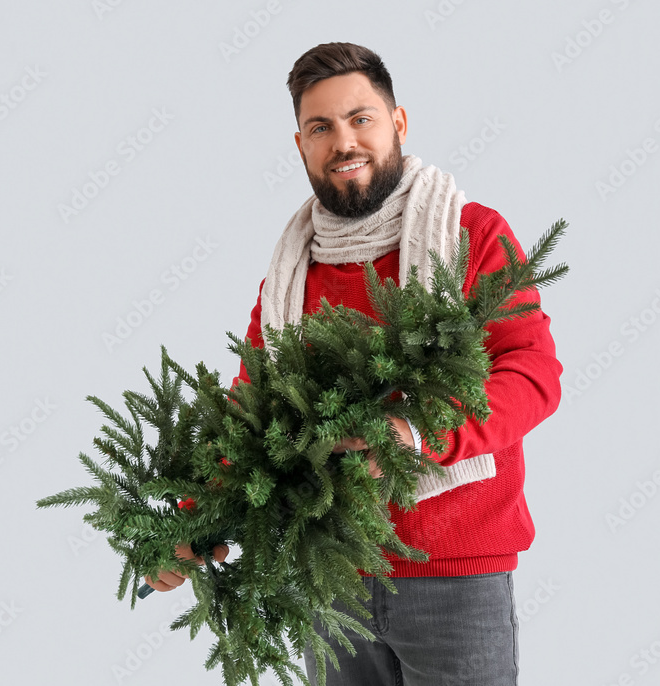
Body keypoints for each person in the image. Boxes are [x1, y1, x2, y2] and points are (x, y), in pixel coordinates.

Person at [146, 42, 563, 686]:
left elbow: (531, 375)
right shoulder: (291, 272)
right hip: (329, 577)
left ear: (398, 123)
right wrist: (194, 519)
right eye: (322, 127)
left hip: (455, 577)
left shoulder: (471, 235)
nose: (344, 142)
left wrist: (412, 433)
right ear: (301, 145)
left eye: (361, 118)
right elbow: (253, 415)